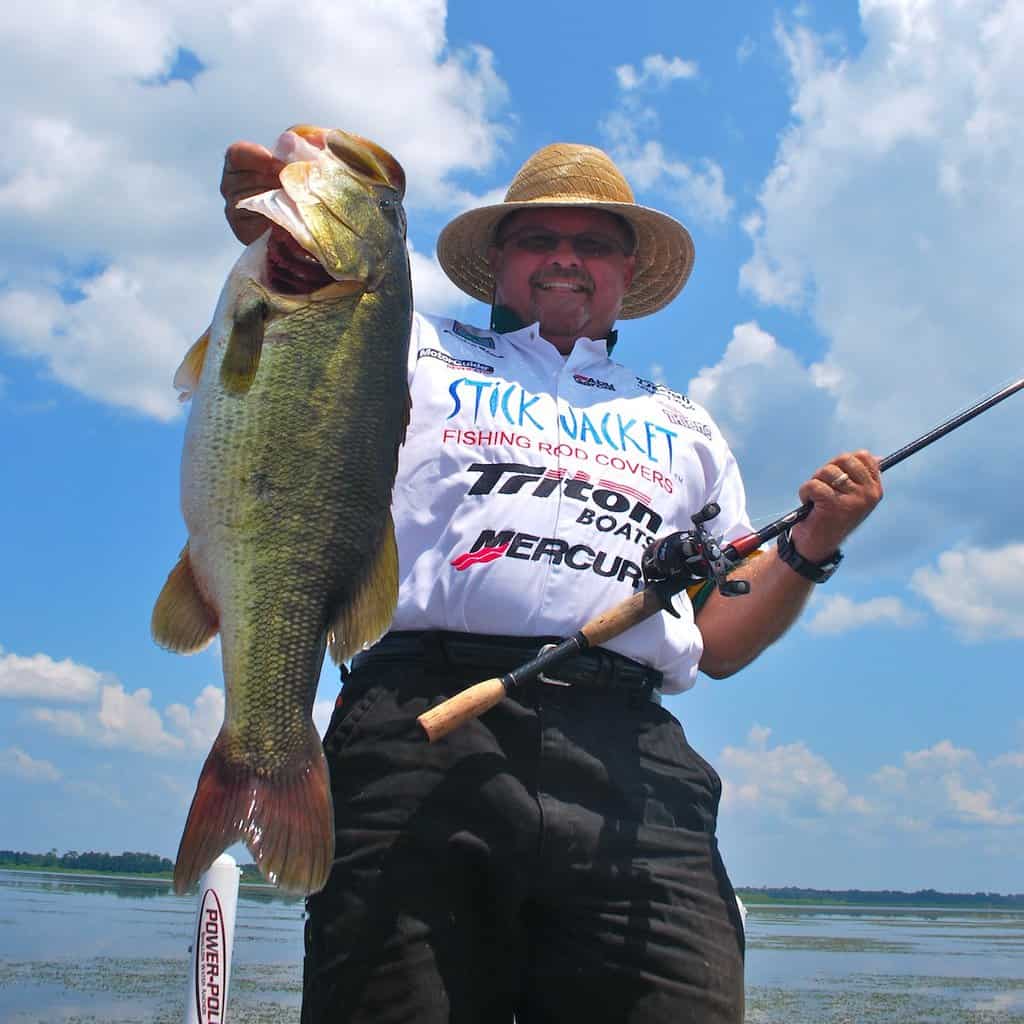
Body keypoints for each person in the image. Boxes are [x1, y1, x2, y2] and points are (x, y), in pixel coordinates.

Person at [220, 139, 882, 1023]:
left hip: (631, 761)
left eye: (594, 242)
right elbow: (297, 330)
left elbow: (719, 640)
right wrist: (279, 227)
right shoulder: (415, 347)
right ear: (498, 261)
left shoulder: (687, 425)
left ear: (626, 271)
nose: (565, 256)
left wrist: (812, 547)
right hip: (416, 729)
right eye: (538, 238)